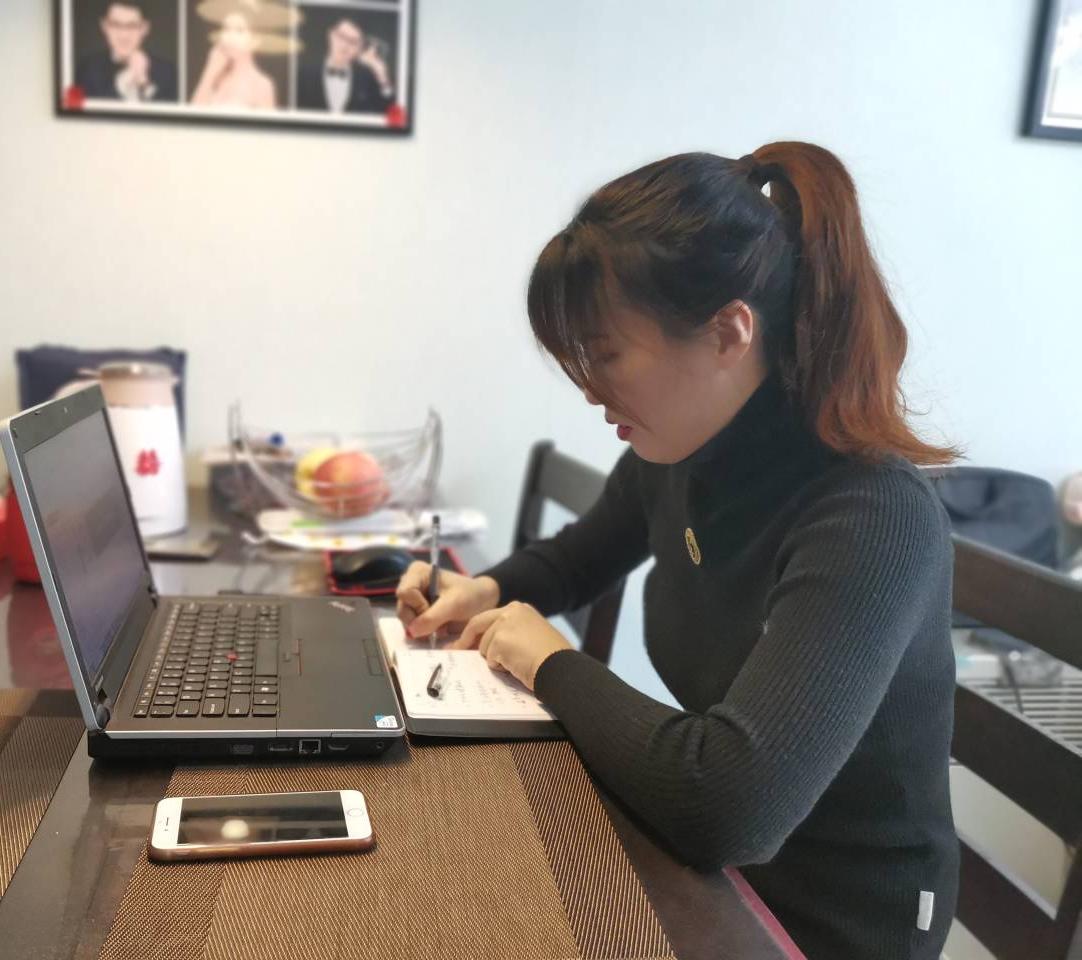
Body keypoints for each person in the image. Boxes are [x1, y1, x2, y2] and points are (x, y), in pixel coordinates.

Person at [396, 142, 960, 960]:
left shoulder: (871, 514)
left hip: (830, 922)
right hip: (707, 871)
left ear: (730, 332)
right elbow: (576, 560)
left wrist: (550, 661)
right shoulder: (682, 450)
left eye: (606, 354)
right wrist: (482, 592)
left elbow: (729, 805)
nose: (589, 389)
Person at [74, 0, 177, 103]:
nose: (124, 35)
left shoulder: (169, 72)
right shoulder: (85, 69)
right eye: (116, 25)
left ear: (145, 28)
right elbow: (72, 108)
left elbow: (170, 111)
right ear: (104, 26)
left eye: (132, 26)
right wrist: (121, 85)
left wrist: (145, 84)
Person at [296, 16, 393, 114]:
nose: (344, 46)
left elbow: (394, 117)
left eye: (353, 42)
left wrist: (382, 78)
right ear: (330, 35)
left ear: (359, 48)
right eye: (341, 36)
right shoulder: (303, 74)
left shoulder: (366, 79)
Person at [191, 1, 277, 109]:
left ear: (255, 40)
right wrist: (210, 71)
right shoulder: (215, 75)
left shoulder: (262, 85)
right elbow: (193, 115)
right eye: (226, 28)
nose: (230, 37)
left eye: (239, 30)